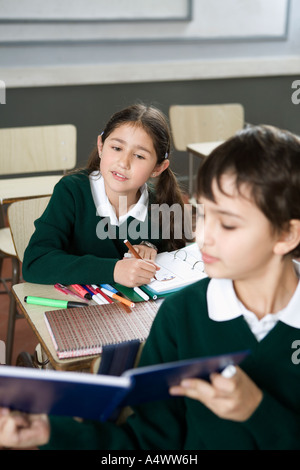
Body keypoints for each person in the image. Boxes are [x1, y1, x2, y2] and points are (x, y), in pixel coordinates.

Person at [3, 124, 300, 449]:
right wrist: (49, 433)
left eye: (228, 223)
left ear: (287, 235)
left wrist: (257, 411)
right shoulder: (182, 315)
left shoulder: (158, 206)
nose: (203, 238)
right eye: (202, 215)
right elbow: (149, 446)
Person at [22, 103, 187, 288]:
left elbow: (176, 260)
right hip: (80, 306)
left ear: (158, 168)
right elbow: (35, 263)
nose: (123, 163)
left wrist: (151, 248)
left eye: (139, 156)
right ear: (101, 146)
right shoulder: (72, 191)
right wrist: (114, 270)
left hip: (131, 310)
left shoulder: (159, 204)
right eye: (117, 148)